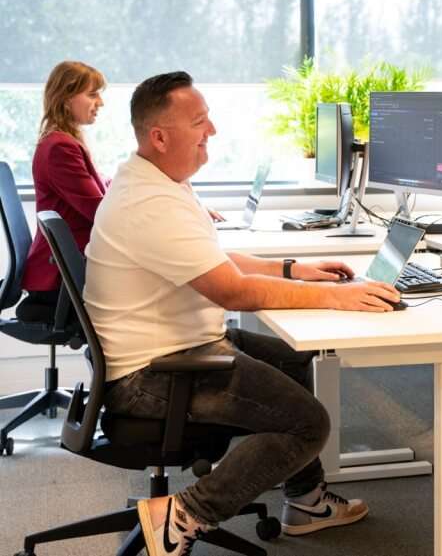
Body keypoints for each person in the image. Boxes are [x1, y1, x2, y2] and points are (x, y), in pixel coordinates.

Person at [84, 71, 403, 556]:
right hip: (151, 376)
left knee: (293, 358)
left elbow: (211, 256)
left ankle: (307, 502)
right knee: (308, 424)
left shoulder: (157, 181)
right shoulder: (149, 202)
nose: (211, 130)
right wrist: (336, 297)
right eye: (199, 121)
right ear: (160, 137)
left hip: (176, 348)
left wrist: (293, 269)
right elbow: (232, 292)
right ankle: (183, 515)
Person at [18, 61, 108, 325]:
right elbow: (99, 211)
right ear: (66, 98)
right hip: (60, 280)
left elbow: (99, 184)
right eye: (92, 94)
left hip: (68, 271)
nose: (100, 102)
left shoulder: (64, 141)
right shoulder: (60, 148)